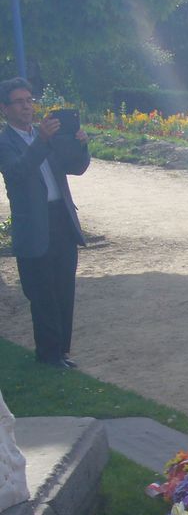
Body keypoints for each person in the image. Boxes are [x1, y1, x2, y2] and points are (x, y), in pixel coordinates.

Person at [0, 77, 90, 369]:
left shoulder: (48, 137)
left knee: (64, 290)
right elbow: (17, 172)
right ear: (4, 108)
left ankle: (62, 352)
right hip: (34, 226)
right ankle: (48, 355)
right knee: (42, 295)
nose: (27, 106)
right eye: (19, 102)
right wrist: (41, 141)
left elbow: (74, 168)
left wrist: (81, 146)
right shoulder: (6, 141)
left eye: (30, 100)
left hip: (61, 220)